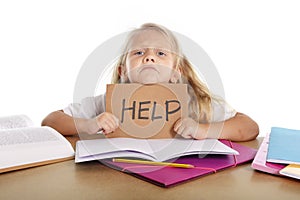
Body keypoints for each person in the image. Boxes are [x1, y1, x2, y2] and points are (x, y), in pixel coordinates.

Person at [42, 23, 259, 141]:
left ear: (176, 71)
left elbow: (249, 127)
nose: (149, 57)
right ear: (123, 71)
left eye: (161, 53)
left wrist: (203, 130)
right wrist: (89, 124)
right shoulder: (107, 104)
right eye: (138, 52)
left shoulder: (194, 104)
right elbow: (50, 121)